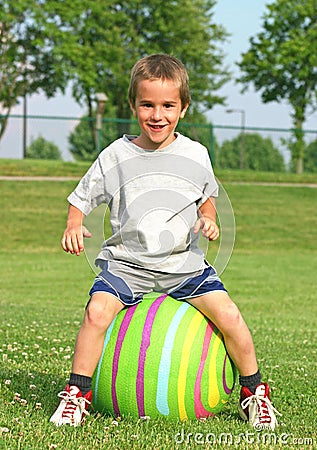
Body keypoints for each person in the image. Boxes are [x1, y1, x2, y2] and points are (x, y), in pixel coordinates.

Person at [50, 54, 280, 429]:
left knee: (230, 315)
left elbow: (207, 200)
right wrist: (74, 224)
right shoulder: (117, 154)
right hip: (126, 264)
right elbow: (81, 198)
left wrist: (208, 219)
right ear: (133, 105)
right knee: (96, 313)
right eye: (148, 104)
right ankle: (78, 394)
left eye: (168, 105)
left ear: (183, 108)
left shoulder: (195, 154)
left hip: (183, 267)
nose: (157, 115)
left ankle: (254, 392)